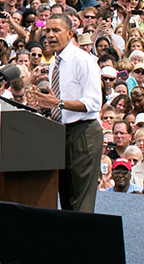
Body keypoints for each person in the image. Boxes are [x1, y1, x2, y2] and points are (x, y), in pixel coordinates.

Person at [42, 15, 108, 211]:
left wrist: (59, 103)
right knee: (66, 197)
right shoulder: (56, 61)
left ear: (70, 34)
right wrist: (47, 104)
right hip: (61, 132)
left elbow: (94, 102)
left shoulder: (83, 60)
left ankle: (82, 240)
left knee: (80, 200)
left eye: (56, 30)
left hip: (83, 133)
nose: (50, 35)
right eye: (47, 31)